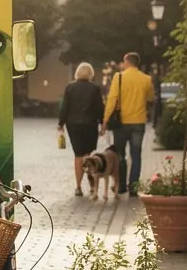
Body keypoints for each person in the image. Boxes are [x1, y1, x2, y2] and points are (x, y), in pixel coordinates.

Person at [101, 51, 156, 195]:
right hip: (138, 122)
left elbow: (111, 100)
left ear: (127, 63)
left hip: (121, 123)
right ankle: (133, 187)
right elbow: (150, 99)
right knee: (136, 154)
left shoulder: (118, 77)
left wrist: (105, 121)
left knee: (120, 154)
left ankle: (120, 186)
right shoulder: (146, 79)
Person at [58, 62, 104, 196]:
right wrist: (103, 124)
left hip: (73, 125)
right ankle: (91, 185)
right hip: (90, 125)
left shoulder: (70, 88)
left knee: (78, 155)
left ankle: (78, 187)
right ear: (91, 73)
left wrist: (61, 124)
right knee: (88, 155)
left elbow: (65, 107)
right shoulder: (95, 88)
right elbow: (99, 107)